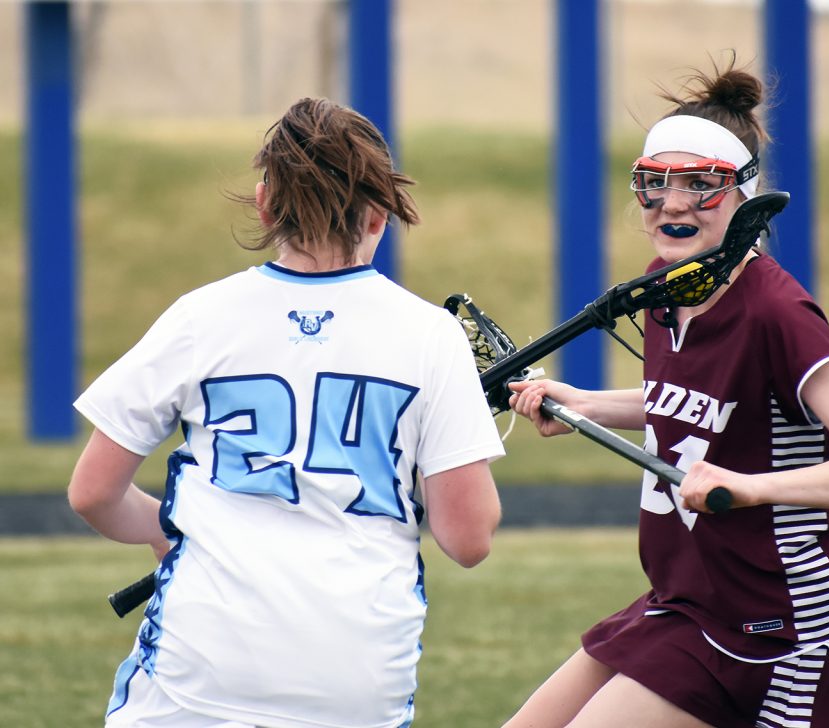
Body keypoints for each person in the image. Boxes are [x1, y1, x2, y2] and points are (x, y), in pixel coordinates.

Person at [504, 60, 829, 728]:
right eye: (655, 184)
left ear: (744, 196)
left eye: (702, 185)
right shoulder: (667, 287)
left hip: (776, 625)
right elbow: (694, 401)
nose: (672, 203)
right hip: (686, 601)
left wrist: (752, 487)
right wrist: (585, 401)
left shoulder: (775, 313)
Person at [68, 98, 504, 728]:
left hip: (201, 670)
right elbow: (469, 538)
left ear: (266, 203)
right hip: (356, 682)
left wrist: (169, 535)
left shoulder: (201, 317)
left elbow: (92, 493)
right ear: (379, 214)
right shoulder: (432, 336)